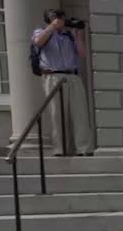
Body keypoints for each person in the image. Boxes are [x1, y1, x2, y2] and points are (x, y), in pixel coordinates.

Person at [31, 9, 93, 156]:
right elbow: (38, 42)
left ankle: (83, 148)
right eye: (56, 18)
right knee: (56, 114)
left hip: (72, 76)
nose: (61, 21)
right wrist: (52, 27)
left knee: (80, 113)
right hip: (53, 76)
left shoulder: (68, 35)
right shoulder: (41, 31)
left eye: (62, 18)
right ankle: (60, 149)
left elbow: (82, 53)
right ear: (49, 19)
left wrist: (78, 35)